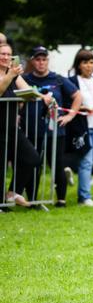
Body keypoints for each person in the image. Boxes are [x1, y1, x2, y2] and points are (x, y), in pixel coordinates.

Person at [22, 46, 82, 207]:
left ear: (48, 61)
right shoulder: (25, 79)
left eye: (44, 59)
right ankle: (33, 200)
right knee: (34, 164)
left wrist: (70, 116)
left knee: (57, 164)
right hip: (31, 130)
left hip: (55, 131)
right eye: (38, 59)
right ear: (32, 61)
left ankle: (61, 199)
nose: (41, 63)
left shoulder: (58, 79)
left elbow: (77, 96)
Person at [0, 43, 40, 208]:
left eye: (8, 54)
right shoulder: (10, 74)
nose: (6, 57)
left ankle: (13, 192)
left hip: (11, 127)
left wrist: (42, 97)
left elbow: (28, 90)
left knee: (32, 157)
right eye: (2, 54)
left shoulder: (13, 74)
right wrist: (10, 75)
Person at [69, 50, 93, 206]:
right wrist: (81, 107)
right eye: (85, 63)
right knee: (86, 161)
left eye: (91, 62)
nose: (89, 66)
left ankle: (84, 193)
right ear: (78, 65)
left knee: (91, 161)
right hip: (82, 126)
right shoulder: (73, 81)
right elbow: (68, 102)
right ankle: (84, 196)